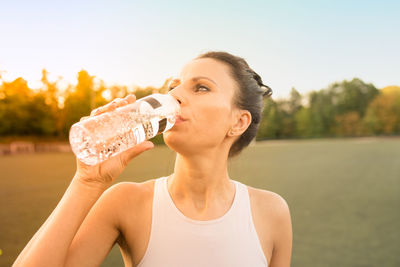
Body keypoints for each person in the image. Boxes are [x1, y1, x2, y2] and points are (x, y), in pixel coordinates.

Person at [13, 51, 292, 267]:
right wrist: (86, 181)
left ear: (239, 122)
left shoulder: (272, 212)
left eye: (201, 88)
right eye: (173, 86)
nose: (174, 95)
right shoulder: (125, 202)